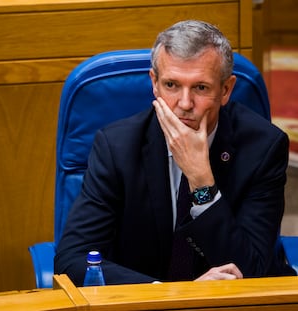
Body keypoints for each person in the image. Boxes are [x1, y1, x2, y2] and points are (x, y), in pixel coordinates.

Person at [54, 20, 296, 286]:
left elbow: (252, 273)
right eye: (171, 85)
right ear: (154, 83)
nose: (184, 104)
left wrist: (202, 181)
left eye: (200, 87)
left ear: (226, 90)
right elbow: (72, 259)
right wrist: (170, 295)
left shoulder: (263, 147)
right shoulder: (116, 147)